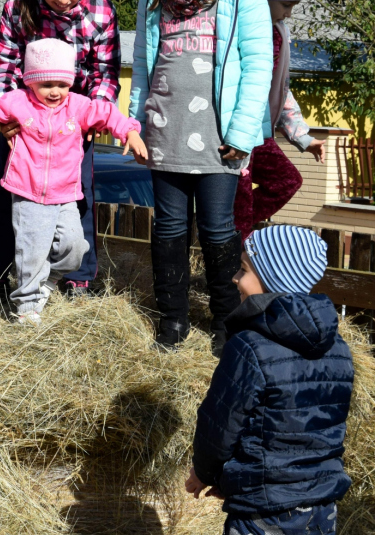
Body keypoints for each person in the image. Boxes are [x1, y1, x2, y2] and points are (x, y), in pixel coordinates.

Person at [0, 39, 146, 324]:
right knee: (32, 252)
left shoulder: (78, 107)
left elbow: (106, 113)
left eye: (62, 84)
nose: (55, 92)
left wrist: (129, 132)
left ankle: (47, 281)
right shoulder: (17, 102)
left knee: (75, 247)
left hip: (66, 193)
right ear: (30, 81)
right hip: (28, 193)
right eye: (46, 85)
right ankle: (27, 309)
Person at [186, 225, 353, 535]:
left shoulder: (249, 346)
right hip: (323, 506)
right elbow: (325, 431)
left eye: (244, 269)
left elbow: (219, 425)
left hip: (264, 510)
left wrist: (207, 473)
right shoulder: (338, 348)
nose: (235, 278)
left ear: (274, 279)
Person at [128, 0, 274, 355]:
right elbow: (142, 63)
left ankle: (226, 320)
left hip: (221, 136)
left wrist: (241, 133)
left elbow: (258, 66)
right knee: (168, 225)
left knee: (218, 228)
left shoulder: (245, 2)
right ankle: (173, 320)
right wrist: (135, 124)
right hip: (164, 130)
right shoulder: (151, 3)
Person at [0, 0, 122, 300]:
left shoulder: (101, 11)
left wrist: (96, 115)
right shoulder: (18, 8)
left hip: (73, 122)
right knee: (8, 195)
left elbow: (104, 73)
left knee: (79, 193)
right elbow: (3, 67)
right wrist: (5, 117)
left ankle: (75, 277)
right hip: (24, 121)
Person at [233, 0, 327, 240]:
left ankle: (230, 226)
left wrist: (303, 137)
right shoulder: (238, 23)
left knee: (287, 181)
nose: (289, 13)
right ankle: (232, 246)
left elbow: (280, 88)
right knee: (241, 199)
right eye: (286, 4)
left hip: (260, 134)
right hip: (235, 132)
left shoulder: (279, 30)